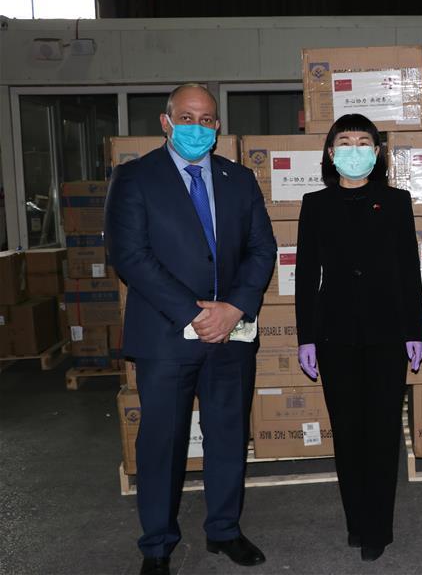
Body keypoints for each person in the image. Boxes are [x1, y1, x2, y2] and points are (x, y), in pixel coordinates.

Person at [105, 83, 276, 575]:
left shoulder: (238, 179)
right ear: (166, 122)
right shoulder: (135, 178)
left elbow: (262, 249)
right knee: (162, 442)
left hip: (231, 336)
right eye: (186, 117)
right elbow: (129, 255)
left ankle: (224, 530)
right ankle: (157, 544)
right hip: (165, 336)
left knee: (227, 435)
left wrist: (234, 309)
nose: (196, 128)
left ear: (217, 127)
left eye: (206, 120)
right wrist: (194, 313)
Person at [294, 113, 422, 562]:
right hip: (335, 335)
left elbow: (409, 271)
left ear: (377, 151)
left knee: (383, 433)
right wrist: (306, 338)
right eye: (345, 142)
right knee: (348, 434)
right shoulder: (315, 204)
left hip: (388, 334)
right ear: (331, 153)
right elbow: (306, 275)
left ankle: (378, 528)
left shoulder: (396, 201)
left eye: (363, 141)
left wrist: (414, 331)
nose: (355, 149)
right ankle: (357, 521)